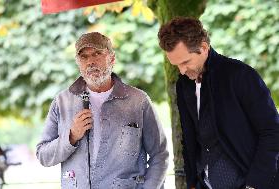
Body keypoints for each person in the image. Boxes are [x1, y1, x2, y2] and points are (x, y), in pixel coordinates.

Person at [158, 17, 279, 189]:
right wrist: (192, 182)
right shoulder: (183, 84)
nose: (182, 71)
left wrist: (255, 185)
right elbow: (189, 137)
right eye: (176, 65)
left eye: (185, 62)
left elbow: (272, 131)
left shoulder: (240, 75)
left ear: (204, 47)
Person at [36, 32, 169, 189]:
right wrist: (71, 136)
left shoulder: (138, 100)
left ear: (112, 59)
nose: (91, 61)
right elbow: (43, 155)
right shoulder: (62, 102)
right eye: (84, 57)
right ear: (78, 63)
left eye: (97, 54)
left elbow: (159, 155)